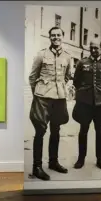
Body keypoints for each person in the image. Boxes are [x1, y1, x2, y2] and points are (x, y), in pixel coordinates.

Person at [28, 26, 72, 181]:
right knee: (40, 131)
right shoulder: (41, 55)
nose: (56, 37)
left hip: (59, 99)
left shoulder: (67, 56)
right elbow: (32, 77)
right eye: (53, 35)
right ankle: (37, 167)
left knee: (56, 130)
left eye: (58, 35)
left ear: (62, 36)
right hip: (43, 98)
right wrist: (39, 92)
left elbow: (67, 76)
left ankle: (53, 162)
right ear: (49, 38)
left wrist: (58, 88)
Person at [72, 38, 101, 170]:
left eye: (96, 48)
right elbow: (76, 81)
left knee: (99, 131)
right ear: (89, 48)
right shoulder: (82, 62)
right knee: (83, 131)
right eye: (92, 48)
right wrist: (83, 93)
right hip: (85, 103)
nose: (94, 50)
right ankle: (81, 159)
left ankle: (100, 159)